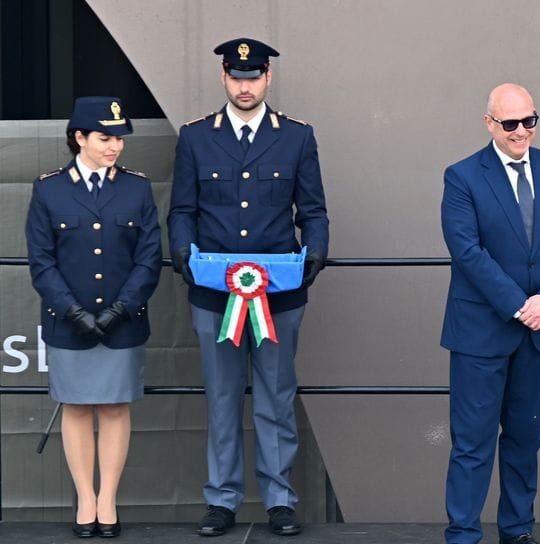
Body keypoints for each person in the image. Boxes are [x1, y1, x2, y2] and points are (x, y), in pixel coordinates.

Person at [167, 37, 329, 537]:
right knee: (221, 398)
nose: (244, 85)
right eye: (236, 78)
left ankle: (279, 498)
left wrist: (313, 259)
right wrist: (185, 260)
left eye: (253, 77)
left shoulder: (296, 137)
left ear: (268, 79)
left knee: (276, 397)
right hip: (214, 293)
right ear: (223, 78)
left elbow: (314, 211)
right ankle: (222, 499)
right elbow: (182, 212)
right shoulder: (195, 137)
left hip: (278, 294)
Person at [440, 83, 540, 544]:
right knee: (472, 444)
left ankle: (518, 530)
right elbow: (467, 250)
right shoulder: (462, 176)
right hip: (482, 332)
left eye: (529, 121)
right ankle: (463, 533)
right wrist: (519, 305)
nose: (522, 131)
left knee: (525, 440)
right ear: (490, 124)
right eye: (510, 123)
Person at [26, 96, 162, 539]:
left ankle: (109, 500)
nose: (115, 147)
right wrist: (72, 311)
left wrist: (123, 307)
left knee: (115, 406)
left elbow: (148, 258)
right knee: (78, 407)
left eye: (120, 139)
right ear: (79, 137)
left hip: (124, 318)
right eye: (105, 138)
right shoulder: (48, 189)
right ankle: (86, 498)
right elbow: (42, 262)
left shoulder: (137, 188)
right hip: (68, 319)